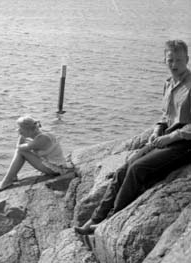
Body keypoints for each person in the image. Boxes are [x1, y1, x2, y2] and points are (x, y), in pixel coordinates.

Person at [76, 39, 191, 235]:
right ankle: (95, 218)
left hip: (185, 143)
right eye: (170, 60)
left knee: (137, 169)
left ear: (187, 59)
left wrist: (172, 137)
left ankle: (111, 219)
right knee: (123, 170)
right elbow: (166, 115)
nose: (174, 64)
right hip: (166, 138)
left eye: (179, 60)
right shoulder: (168, 84)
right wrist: (157, 129)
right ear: (164, 60)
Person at [0, 115, 71, 192]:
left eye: (20, 128)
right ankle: (12, 176)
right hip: (55, 165)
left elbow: (19, 148)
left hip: (55, 169)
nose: (18, 130)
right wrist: (23, 137)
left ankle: (8, 180)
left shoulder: (41, 139)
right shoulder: (42, 135)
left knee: (21, 152)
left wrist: (20, 137)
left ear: (28, 129)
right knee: (22, 151)